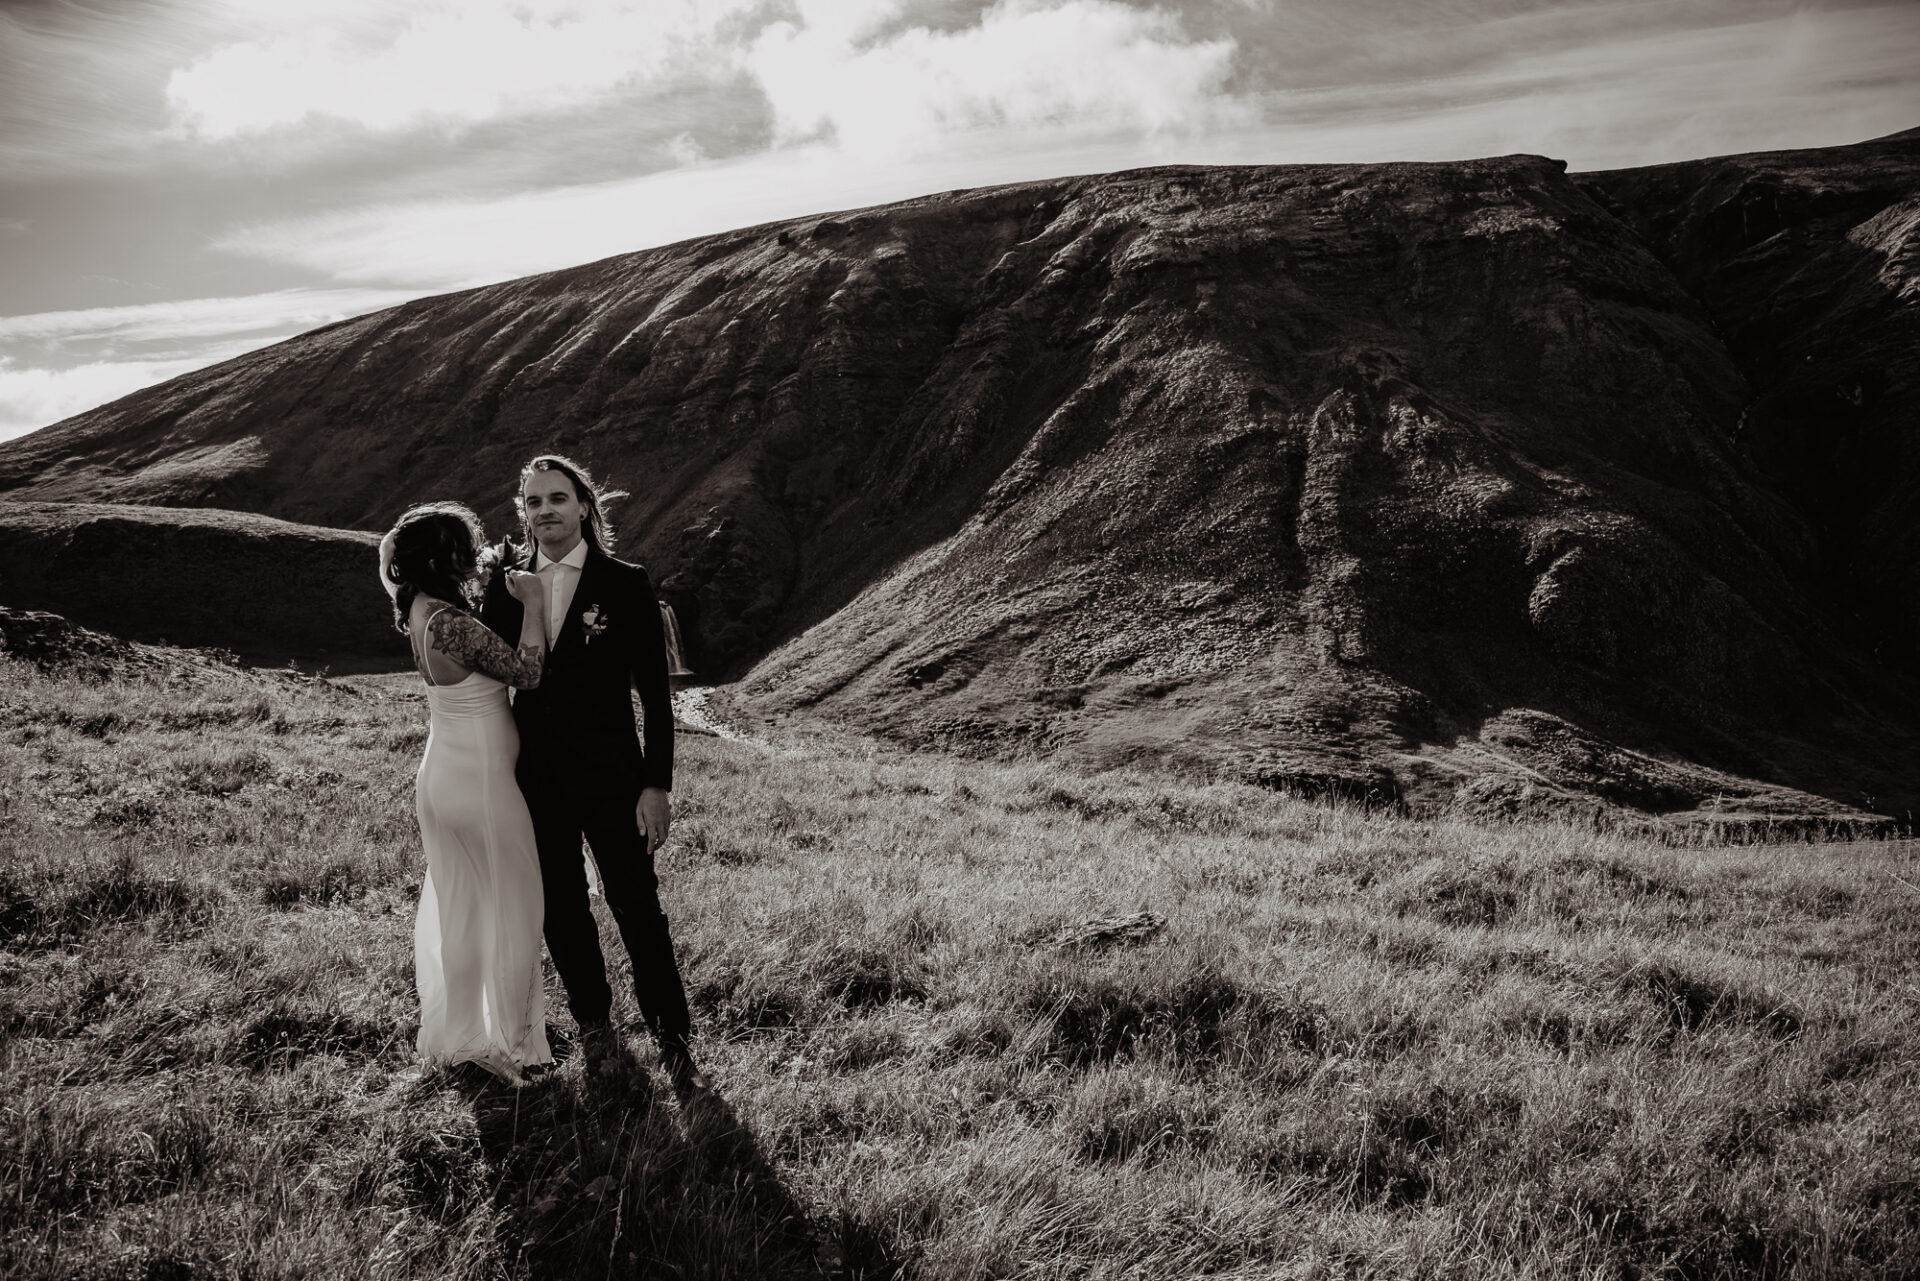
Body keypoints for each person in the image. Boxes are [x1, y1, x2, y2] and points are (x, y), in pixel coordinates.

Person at [479, 455, 707, 1095]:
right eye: (532, 502)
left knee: (638, 906)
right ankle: (595, 1027)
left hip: (614, 779)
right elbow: (498, 677)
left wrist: (656, 785)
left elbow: (657, 700)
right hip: (536, 781)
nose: (544, 511)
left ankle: (672, 1035)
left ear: (584, 507)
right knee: (562, 909)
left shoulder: (626, 583)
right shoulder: (506, 582)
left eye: (557, 498)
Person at [379, 503, 553, 1085]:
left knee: (465, 910)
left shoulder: (419, 609)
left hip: (443, 776)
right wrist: (532, 604)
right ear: (437, 559)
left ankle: (464, 1035)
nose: (473, 557)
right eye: (464, 547)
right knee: (515, 905)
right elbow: (526, 673)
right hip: (480, 782)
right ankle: (517, 1045)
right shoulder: (451, 622)